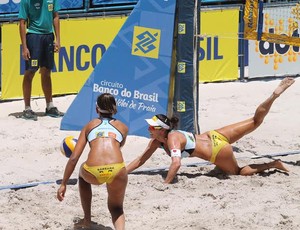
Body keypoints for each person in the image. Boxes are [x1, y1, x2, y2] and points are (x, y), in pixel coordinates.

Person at [127, 77, 295, 184]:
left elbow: (176, 163)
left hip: (218, 150)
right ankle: (274, 95)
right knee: (254, 121)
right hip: (214, 135)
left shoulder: (172, 140)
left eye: (151, 127)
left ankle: (273, 164)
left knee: (238, 173)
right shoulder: (158, 140)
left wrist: (166, 184)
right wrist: (121, 173)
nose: (148, 129)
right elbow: (141, 160)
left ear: (161, 130)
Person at [57, 93, 129, 229]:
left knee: (81, 173)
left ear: (97, 109)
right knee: (116, 208)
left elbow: (73, 158)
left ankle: (87, 220)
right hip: (118, 170)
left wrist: (63, 183)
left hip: (93, 171)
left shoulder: (90, 125)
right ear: (114, 109)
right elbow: (118, 147)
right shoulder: (124, 127)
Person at [18, 0, 64, 120]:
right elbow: (22, 23)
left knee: (46, 71)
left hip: (48, 36)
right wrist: (24, 47)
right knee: (30, 72)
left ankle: (50, 106)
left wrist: (58, 39)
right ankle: (27, 108)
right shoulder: (26, 1)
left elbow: (56, 17)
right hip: (33, 37)